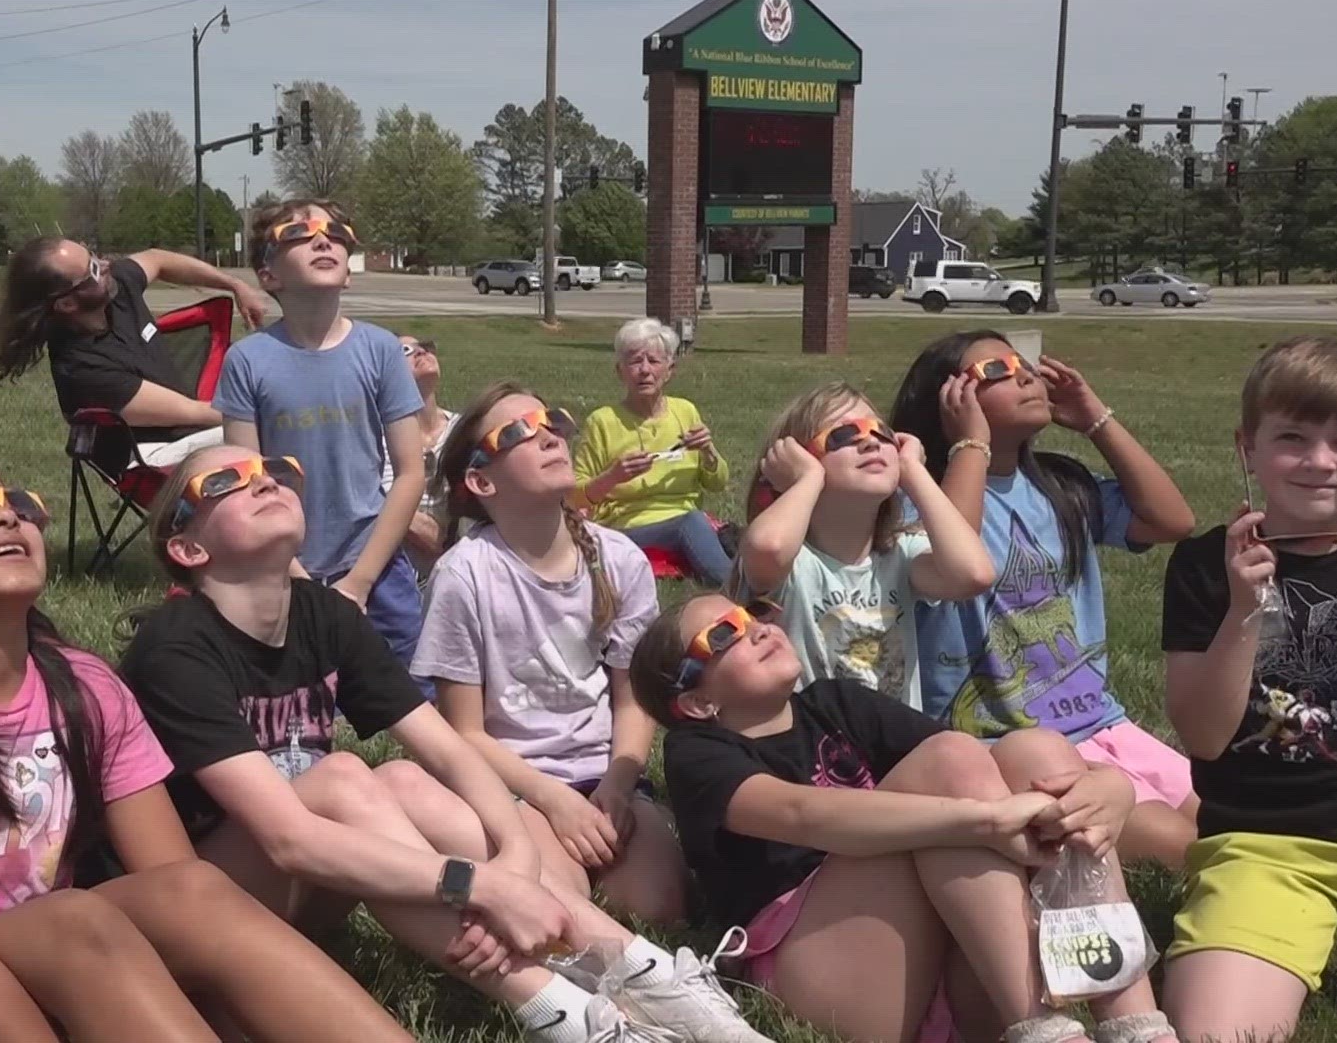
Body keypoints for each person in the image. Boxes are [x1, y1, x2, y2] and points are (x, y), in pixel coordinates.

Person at [122, 443, 772, 1043]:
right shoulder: (177, 647)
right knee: (343, 776)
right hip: (202, 909)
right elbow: (290, 837)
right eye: (227, 482)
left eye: (276, 471)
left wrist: (515, 860)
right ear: (187, 548)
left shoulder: (323, 615)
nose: (265, 481)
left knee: (405, 781)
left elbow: (448, 751)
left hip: (305, 883)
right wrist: (480, 889)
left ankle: (648, 976)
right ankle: (567, 1016)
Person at [0, 457, 412, 1043]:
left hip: (49, 974)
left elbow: (179, 890)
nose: (4, 513)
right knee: (71, 922)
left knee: (182, 890)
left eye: (17, 502)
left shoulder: (85, 687)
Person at [633, 592, 1179, 1043]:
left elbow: (991, 769)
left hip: (962, 961)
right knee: (950, 771)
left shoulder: (836, 703)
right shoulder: (698, 751)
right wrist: (983, 822)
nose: (753, 628)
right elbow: (801, 813)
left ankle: (1136, 1026)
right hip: (832, 972)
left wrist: (1108, 786)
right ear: (697, 702)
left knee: (1036, 752)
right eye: (722, 636)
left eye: (751, 612)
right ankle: (1044, 1032)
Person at [890, 331, 1200, 867]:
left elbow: (1173, 520)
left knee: (1221, 819)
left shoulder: (1060, 485)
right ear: (947, 401)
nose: (1025, 375)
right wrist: (970, 445)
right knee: (1183, 847)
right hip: (1003, 745)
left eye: (1023, 363)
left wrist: (1096, 419)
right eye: (995, 371)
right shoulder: (921, 499)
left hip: (1104, 723)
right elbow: (956, 562)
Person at [414, 382, 690, 927]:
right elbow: (464, 732)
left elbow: (632, 699)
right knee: (563, 916)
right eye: (518, 431)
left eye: (552, 421)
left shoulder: (620, 559)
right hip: (516, 784)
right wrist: (552, 800)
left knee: (662, 912)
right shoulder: (464, 575)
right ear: (481, 480)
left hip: (608, 777)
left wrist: (617, 783)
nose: (547, 435)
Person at [1160, 336, 1337, 1042]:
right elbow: (1206, 735)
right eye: (1293, 438)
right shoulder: (1203, 565)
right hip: (1268, 843)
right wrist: (1244, 608)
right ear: (1247, 447)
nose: (1320, 462)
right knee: (1218, 1037)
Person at [214, 199, 426, 669]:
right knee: (295, 702)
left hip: (374, 559)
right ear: (268, 276)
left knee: (415, 691)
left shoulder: (381, 351)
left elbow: (411, 473)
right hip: (281, 565)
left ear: (347, 272)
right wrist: (300, 581)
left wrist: (361, 582)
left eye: (335, 231)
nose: (322, 238)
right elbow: (247, 483)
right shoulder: (247, 362)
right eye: (298, 233)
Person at [736, 382, 994, 711]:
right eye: (842, 435)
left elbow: (974, 574)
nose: (869, 440)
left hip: (894, 749)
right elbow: (768, 547)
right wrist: (807, 481)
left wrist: (913, 471)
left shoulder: (900, 554)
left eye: (883, 433)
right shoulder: (792, 560)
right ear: (797, 463)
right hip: (814, 752)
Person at [0, 237, 267, 467]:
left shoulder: (116, 291)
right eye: (92, 269)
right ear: (67, 304)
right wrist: (274, 412)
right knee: (283, 433)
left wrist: (235, 285)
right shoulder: (83, 369)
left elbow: (159, 258)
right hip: (153, 457)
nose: (104, 264)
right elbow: (193, 412)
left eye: (93, 255)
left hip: (196, 434)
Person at [573, 318, 733, 588]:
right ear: (620, 371)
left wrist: (708, 451)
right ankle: (738, 590)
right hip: (627, 526)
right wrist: (613, 477)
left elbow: (718, 483)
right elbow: (574, 496)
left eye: (654, 361)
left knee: (698, 524)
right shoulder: (603, 421)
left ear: (670, 370)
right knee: (690, 524)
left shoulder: (685, 411)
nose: (645, 370)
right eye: (635, 362)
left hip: (687, 518)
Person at [383, 333, 456, 576]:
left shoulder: (463, 429)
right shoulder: (376, 441)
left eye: (424, 346)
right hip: (399, 578)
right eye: (405, 350)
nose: (421, 352)